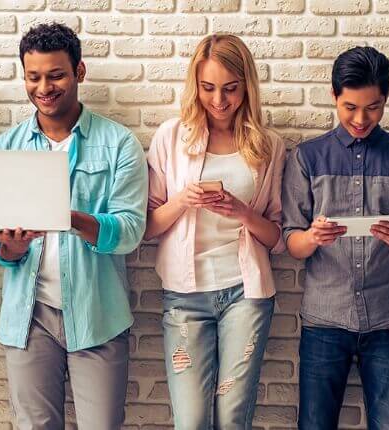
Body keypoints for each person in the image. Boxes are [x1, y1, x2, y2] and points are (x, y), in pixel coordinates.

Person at [0, 23, 148, 429]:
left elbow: (129, 231)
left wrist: (67, 217)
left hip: (98, 316)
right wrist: (11, 246)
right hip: (30, 316)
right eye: (33, 77)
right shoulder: (5, 149)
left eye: (56, 75)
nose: (44, 87)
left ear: (79, 72)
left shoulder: (119, 143)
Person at [282, 46, 389, 430]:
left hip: (388, 319)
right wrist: (313, 237)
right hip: (324, 319)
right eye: (350, 107)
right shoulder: (306, 158)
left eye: (374, 107)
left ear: (386, 99)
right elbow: (291, 243)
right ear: (334, 96)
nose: (361, 118)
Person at [144, 34, 286, 429]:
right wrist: (182, 200)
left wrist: (241, 211)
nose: (219, 100)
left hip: (247, 293)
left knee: (232, 419)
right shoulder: (172, 138)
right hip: (185, 296)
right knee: (191, 421)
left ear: (247, 86)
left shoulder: (268, 146)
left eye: (230, 88)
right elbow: (147, 228)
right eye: (208, 88)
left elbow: (277, 237)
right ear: (196, 85)